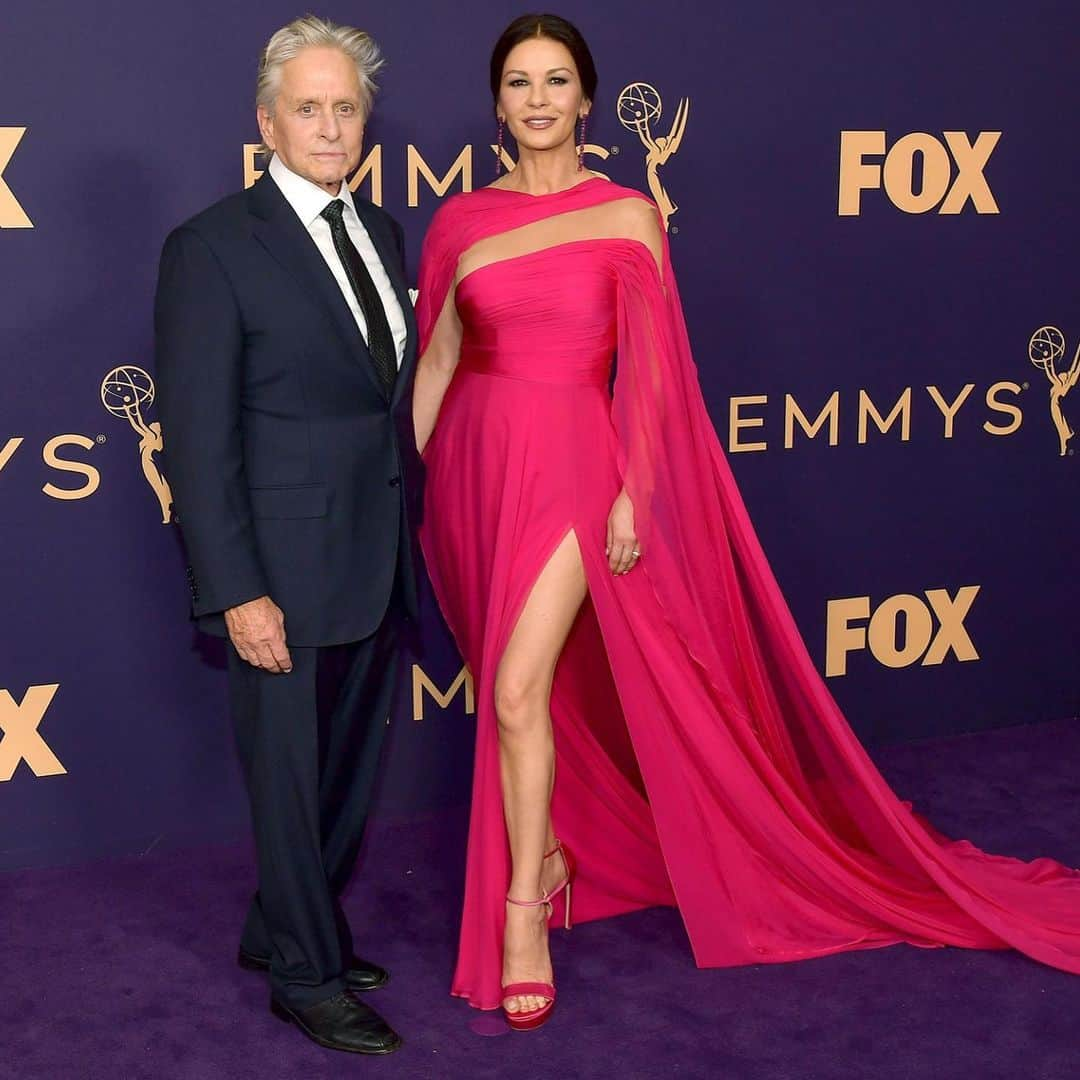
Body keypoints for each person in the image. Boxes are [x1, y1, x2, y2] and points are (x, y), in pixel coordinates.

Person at [412, 13, 1080, 1030]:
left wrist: (637, 488)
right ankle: (546, 848)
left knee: (511, 694)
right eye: (518, 82)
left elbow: (656, 374)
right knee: (530, 695)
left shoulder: (629, 213)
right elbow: (442, 362)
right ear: (497, 102)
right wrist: (429, 482)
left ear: (586, 98)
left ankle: (522, 910)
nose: (538, 99)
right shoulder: (460, 220)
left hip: (575, 472)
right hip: (474, 478)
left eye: (556, 80)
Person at [155, 16, 421, 1055]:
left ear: (365, 124)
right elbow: (197, 438)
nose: (327, 125)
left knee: (351, 769)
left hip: (372, 550)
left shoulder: (383, 231)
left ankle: (281, 929)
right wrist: (235, 587)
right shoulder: (212, 247)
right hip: (279, 569)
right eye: (306, 107)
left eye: (345, 107)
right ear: (267, 123)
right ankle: (306, 980)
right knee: (291, 774)